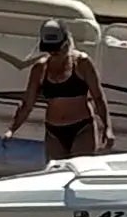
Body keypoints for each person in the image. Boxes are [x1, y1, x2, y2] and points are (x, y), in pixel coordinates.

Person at [7, 18, 111, 163]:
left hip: (81, 127)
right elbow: (27, 104)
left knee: (79, 168)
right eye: (50, 49)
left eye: (57, 48)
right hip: (53, 130)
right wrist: (12, 129)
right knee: (55, 172)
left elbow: (98, 97)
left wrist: (107, 127)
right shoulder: (40, 68)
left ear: (66, 42)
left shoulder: (81, 63)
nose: (54, 52)